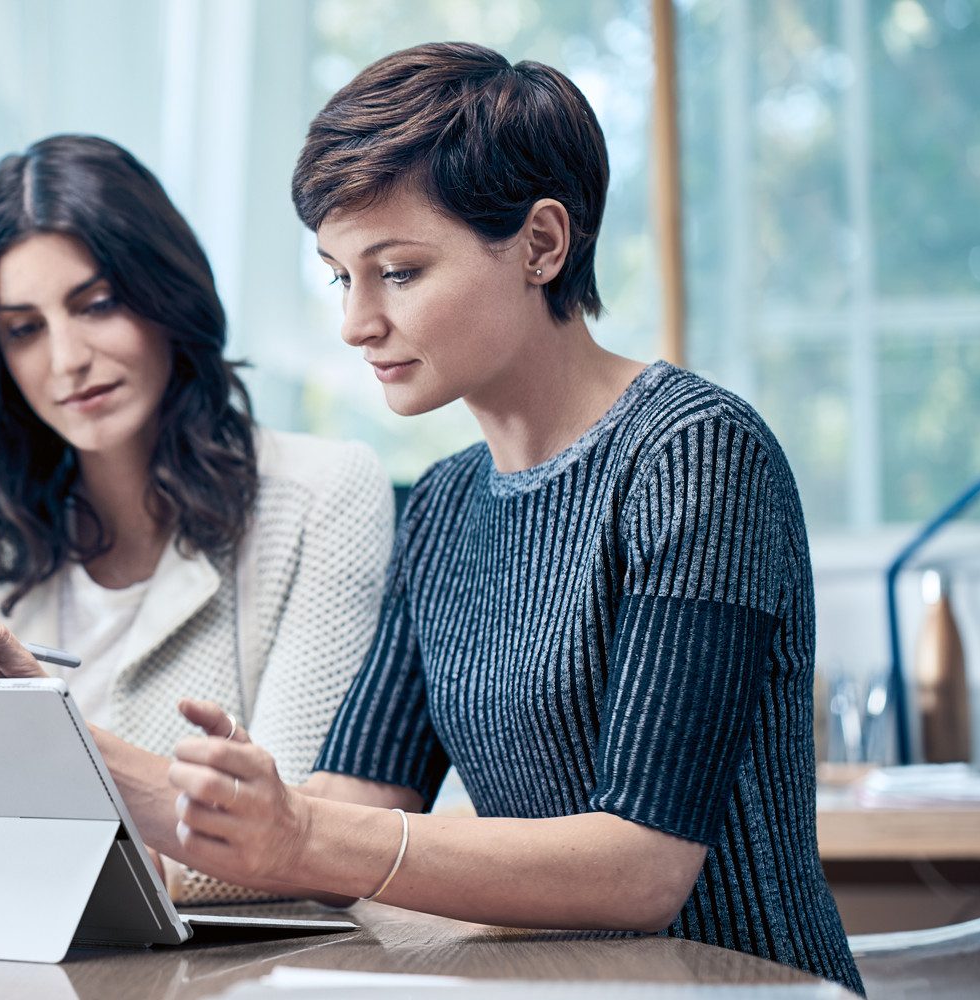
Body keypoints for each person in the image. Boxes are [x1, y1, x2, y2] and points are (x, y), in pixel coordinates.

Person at [117, 42, 860, 993]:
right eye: (342, 277)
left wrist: (302, 833)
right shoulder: (443, 505)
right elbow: (350, 801)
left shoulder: (696, 454)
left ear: (542, 245)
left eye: (397, 271)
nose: (354, 324)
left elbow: (641, 869)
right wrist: (69, 748)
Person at [0, 134, 395, 903]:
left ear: (165, 291)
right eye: (24, 328)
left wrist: (39, 813)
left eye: (98, 304)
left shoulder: (325, 494)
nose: (66, 359)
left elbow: (292, 829)